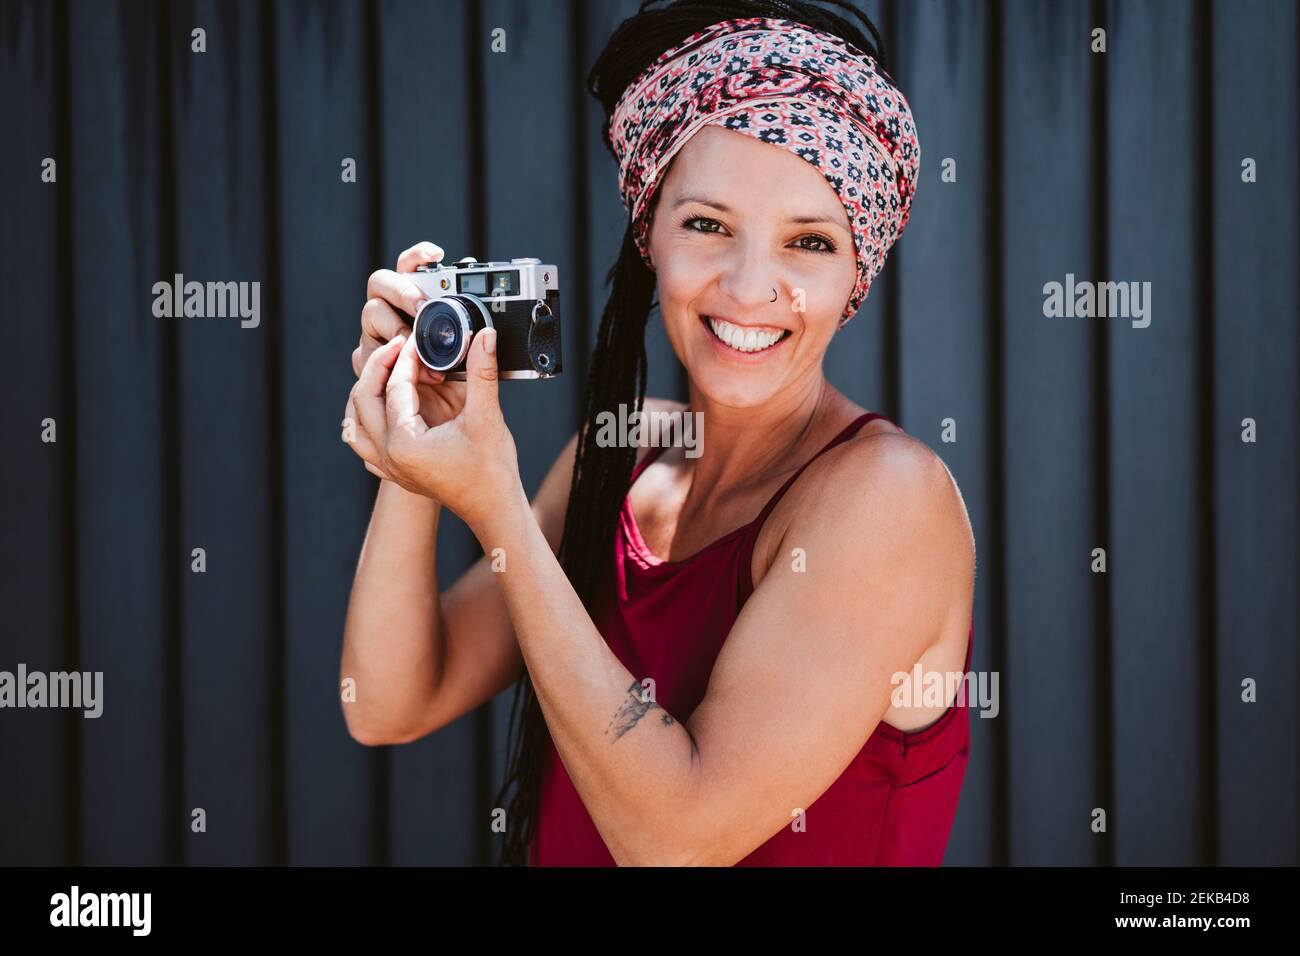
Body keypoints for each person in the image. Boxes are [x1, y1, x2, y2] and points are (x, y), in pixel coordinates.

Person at [340, 0, 976, 866]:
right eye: (708, 225)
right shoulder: (625, 454)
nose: (752, 288)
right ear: (651, 236)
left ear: (855, 275)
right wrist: (415, 444)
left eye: (810, 243)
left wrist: (496, 510)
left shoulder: (884, 498)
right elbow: (389, 699)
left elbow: (677, 834)